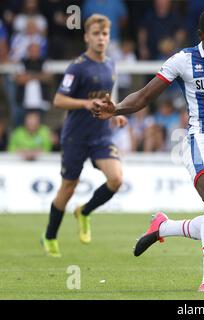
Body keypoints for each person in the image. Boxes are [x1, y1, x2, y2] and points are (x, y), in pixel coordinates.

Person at [92, 7, 204, 292]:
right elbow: (144, 95)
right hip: (201, 138)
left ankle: (163, 227)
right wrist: (116, 108)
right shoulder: (183, 60)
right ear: (200, 36)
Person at [41, 14, 128, 258]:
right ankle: (49, 236)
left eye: (105, 34)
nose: (101, 38)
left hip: (100, 136)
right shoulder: (77, 67)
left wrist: (115, 113)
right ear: (86, 37)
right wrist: (85, 103)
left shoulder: (110, 65)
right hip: (75, 137)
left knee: (116, 179)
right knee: (69, 186)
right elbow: (58, 100)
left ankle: (85, 211)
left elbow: (105, 99)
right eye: (96, 34)